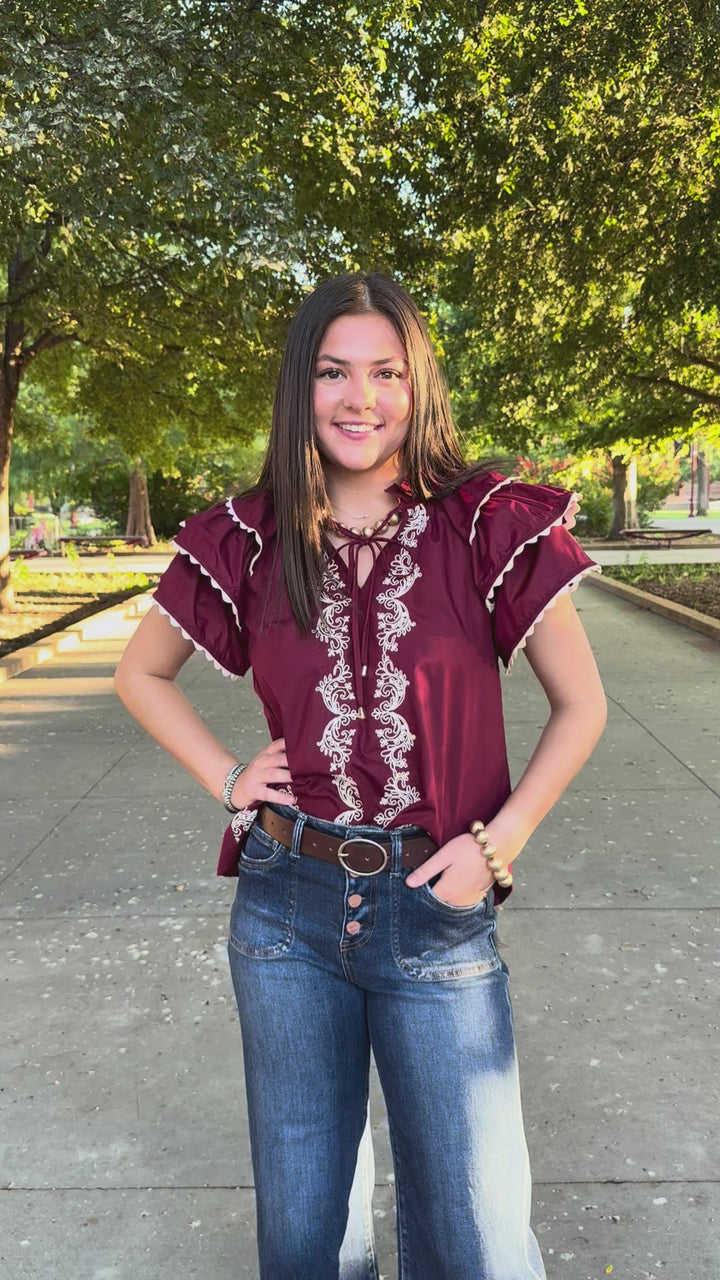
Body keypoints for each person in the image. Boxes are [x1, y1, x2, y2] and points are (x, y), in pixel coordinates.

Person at [114, 271, 607, 1280]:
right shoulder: (247, 538)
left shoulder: (488, 524)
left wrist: (496, 846)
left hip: (435, 906)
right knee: (305, 1239)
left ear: (417, 385)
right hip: (284, 912)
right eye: (334, 371)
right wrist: (227, 774)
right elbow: (141, 671)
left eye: (386, 371)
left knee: (478, 1239)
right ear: (302, 388)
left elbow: (582, 704)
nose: (360, 396)